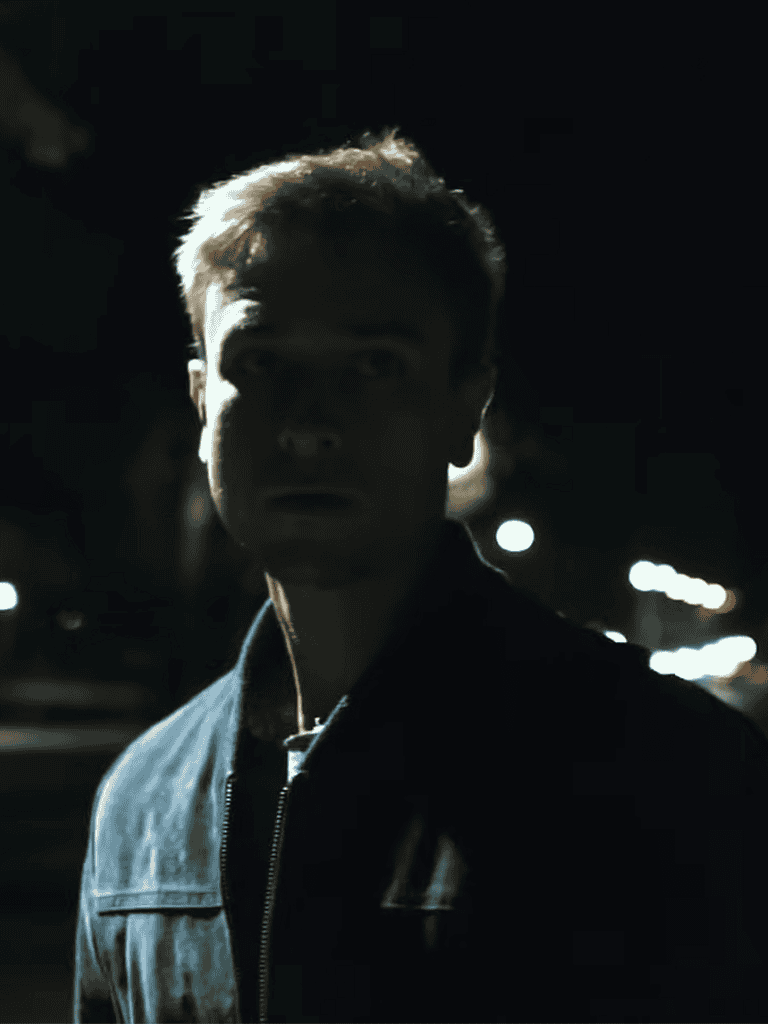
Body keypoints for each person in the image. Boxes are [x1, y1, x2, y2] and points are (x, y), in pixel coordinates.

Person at [73, 127, 768, 1023]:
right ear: (204, 398)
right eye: (262, 363)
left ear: (465, 405)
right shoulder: (140, 802)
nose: (309, 425)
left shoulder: (666, 773)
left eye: (373, 365)